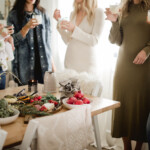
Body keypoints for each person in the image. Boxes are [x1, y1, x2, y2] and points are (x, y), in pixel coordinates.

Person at [105, 0, 150, 149]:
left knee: (141, 106)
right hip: (123, 65)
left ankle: (138, 148)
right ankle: (126, 147)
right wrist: (114, 22)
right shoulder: (122, 8)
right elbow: (115, 40)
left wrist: (147, 50)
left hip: (145, 66)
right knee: (122, 105)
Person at [7, 0, 55, 85]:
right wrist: (26, 27)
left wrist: (53, 66)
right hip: (24, 70)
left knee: (45, 97)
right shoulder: (13, 15)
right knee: (27, 97)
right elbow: (10, 43)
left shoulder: (43, 13)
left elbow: (48, 43)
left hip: (44, 67)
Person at [53, 0, 104, 73]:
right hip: (70, 62)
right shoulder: (73, 14)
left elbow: (94, 40)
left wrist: (74, 29)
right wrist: (58, 21)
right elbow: (68, 40)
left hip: (86, 65)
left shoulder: (98, 12)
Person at [0, 23, 14, 90]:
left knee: (1, 94)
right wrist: (1, 36)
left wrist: (7, 37)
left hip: (1, 67)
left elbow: (8, 52)